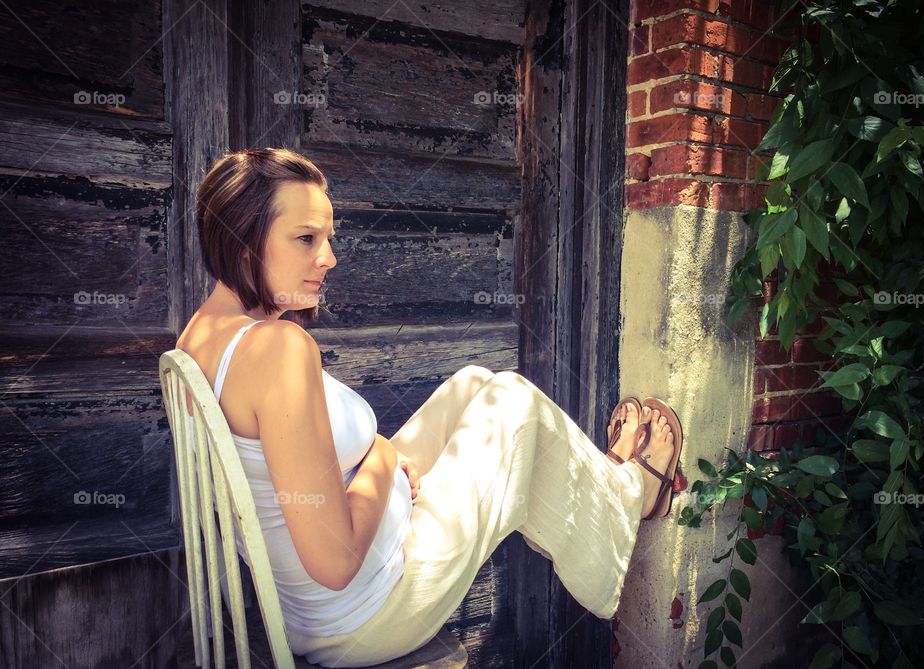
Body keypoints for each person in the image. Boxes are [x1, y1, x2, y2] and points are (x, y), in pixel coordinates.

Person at [175, 147, 685, 667]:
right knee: (513, 402)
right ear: (242, 241)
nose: (329, 257)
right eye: (306, 238)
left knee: (473, 385)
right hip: (367, 612)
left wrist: (381, 466)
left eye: (328, 237)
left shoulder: (198, 339)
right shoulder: (276, 349)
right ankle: (627, 493)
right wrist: (380, 460)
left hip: (316, 607)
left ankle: (600, 509)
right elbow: (334, 562)